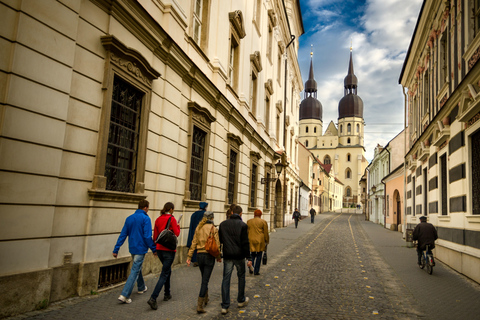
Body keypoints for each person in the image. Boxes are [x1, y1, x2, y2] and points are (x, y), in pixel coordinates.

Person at [113, 199, 156, 304]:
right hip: (140, 248)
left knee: (137, 268)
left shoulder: (129, 218)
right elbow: (147, 236)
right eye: (148, 208)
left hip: (132, 247)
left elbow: (123, 235)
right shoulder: (146, 218)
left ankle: (141, 287)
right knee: (135, 270)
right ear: (145, 208)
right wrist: (154, 249)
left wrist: (116, 248)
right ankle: (125, 294)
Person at [218, 205, 253, 315]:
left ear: (232, 212)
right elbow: (245, 243)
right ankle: (241, 300)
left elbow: (220, 240)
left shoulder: (223, 224)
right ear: (241, 214)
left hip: (228, 254)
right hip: (239, 255)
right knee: (241, 277)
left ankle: (225, 305)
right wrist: (249, 257)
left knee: (226, 279)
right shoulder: (243, 225)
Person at [186, 211, 222, 313]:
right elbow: (217, 244)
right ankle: (199, 306)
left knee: (204, 278)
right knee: (205, 280)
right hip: (209, 256)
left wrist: (189, 256)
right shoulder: (213, 228)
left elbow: (193, 243)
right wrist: (218, 256)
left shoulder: (198, 228)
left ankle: (206, 299)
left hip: (199, 256)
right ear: (212, 218)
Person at [147, 202, 180, 310]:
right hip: (169, 250)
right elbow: (177, 233)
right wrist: (178, 227)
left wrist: (155, 249)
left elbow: (155, 236)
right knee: (164, 274)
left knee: (167, 270)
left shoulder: (158, 219)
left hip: (160, 249)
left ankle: (167, 293)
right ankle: (153, 298)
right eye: (173, 209)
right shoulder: (172, 219)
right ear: (170, 209)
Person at [247, 209, 269, 275]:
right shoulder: (263, 222)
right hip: (260, 240)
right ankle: (256, 271)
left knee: (252, 255)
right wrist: (267, 241)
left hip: (251, 239)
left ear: (254, 214)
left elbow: (247, 231)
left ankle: (251, 268)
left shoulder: (249, 221)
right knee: (259, 255)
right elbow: (266, 233)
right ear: (260, 215)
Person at [187, 202, 208, 267]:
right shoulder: (205, 215)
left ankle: (195, 260)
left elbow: (191, 225)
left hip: (194, 232)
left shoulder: (194, 214)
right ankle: (200, 260)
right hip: (202, 233)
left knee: (194, 245)